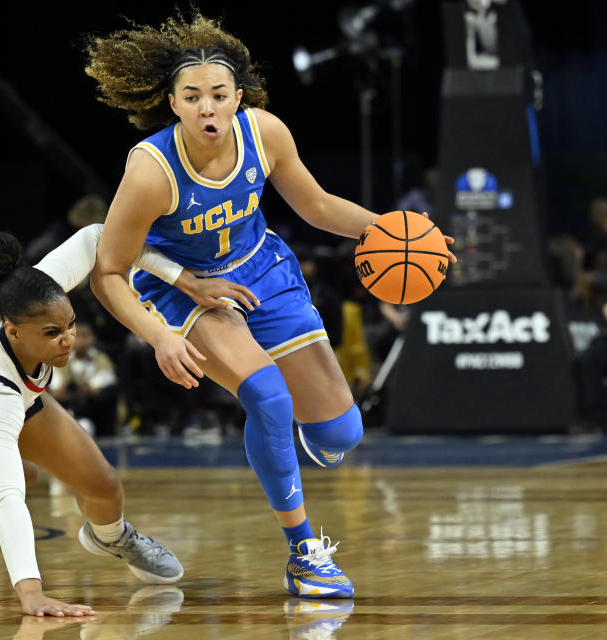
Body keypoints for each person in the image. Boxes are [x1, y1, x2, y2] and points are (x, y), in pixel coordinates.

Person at [84, 9, 455, 598]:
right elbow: (108, 269)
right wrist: (161, 333)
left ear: (238, 97)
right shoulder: (151, 169)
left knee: (341, 433)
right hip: (184, 287)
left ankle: (295, 429)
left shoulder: (266, 133)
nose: (208, 107)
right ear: (173, 103)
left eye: (219, 94)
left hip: (261, 268)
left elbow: (317, 206)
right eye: (192, 96)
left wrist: (393, 233)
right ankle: (304, 552)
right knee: (267, 395)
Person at [0, 224, 200, 616]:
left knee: (105, 485)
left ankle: (112, 537)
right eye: (53, 332)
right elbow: (7, 501)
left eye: (71, 324)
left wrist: (184, 279)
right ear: (14, 331)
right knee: (20, 480)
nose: (69, 338)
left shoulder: (32, 294)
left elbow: (97, 237)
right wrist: (32, 594)